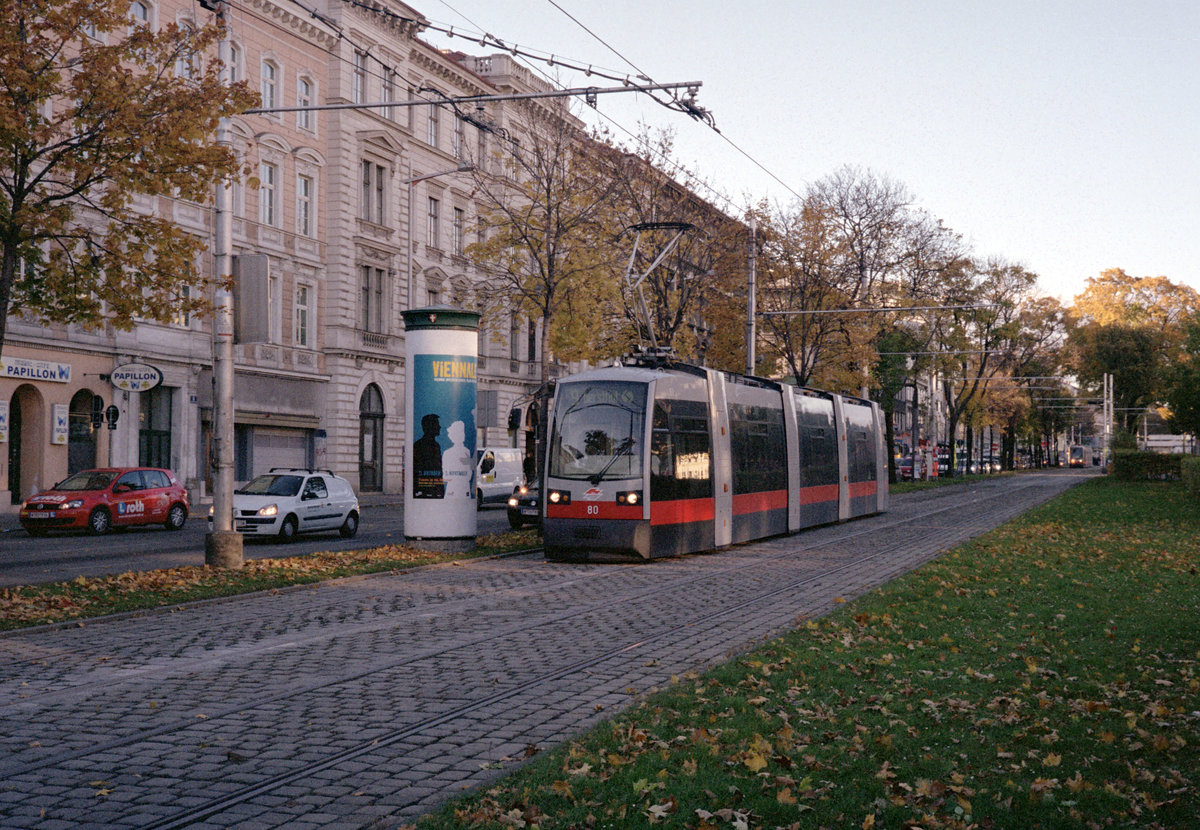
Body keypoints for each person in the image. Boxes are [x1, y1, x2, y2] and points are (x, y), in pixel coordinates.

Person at [413, 413, 444, 498]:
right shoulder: (419, 446)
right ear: (430, 427)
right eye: (437, 424)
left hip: (435, 490)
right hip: (425, 491)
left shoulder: (436, 445)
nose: (439, 427)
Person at [442, 420, 473, 499]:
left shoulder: (447, 453)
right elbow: (469, 474)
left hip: (454, 489)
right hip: (462, 488)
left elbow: (445, 476)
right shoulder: (466, 451)